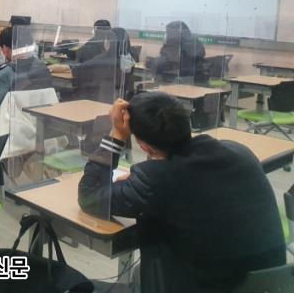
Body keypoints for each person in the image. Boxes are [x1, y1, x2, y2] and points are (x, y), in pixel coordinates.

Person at [78, 92, 285, 293]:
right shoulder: (240, 151)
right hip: (270, 283)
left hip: (206, 285)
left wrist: (116, 136)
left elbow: (89, 195)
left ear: (145, 148)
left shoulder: (155, 180)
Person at [0, 27, 52, 120]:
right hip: (41, 121)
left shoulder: (5, 74)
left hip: (14, 124)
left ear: (5, 48)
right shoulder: (41, 67)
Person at [71, 29, 121, 103]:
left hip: (98, 96)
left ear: (109, 42)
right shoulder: (124, 60)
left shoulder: (103, 58)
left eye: (106, 39)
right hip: (114, 98)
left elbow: (78, 70)